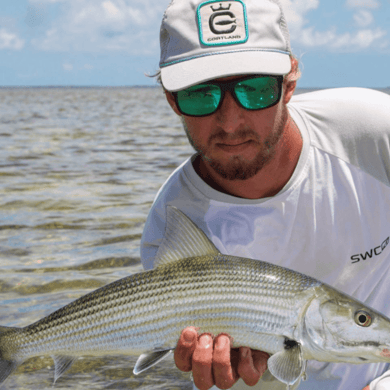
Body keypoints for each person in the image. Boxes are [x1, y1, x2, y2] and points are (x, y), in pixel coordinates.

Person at [140, 0, 390, 389]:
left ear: (289, 81)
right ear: (172, 100)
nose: (230, 122)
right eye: (200, 95)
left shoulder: (376, 133)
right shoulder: (172, 220)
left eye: (254, 90)